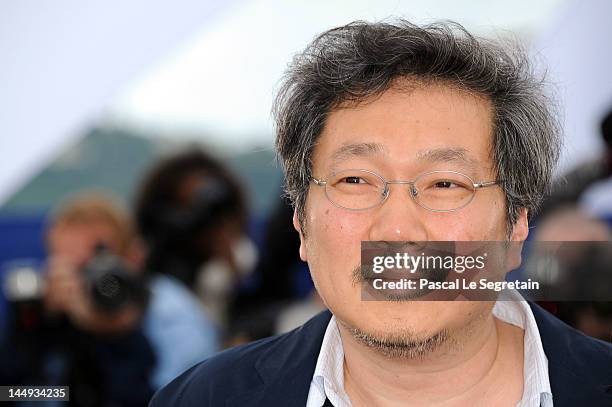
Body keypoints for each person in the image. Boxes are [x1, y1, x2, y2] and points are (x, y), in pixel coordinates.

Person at [150, 20, 612, 406]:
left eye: (445, 184)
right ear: (302, 222)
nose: (396, 228)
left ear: (516, 226)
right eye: (355, 181)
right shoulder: (201, 398)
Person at [1, 193, 155, 406]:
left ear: (131, 258)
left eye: (92, 267)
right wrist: (35, 325)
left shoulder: (163, 312)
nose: (82, 282)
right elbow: (8, 393)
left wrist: (116, 334)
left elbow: (158, 399)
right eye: (70, 267)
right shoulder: (45, 313)